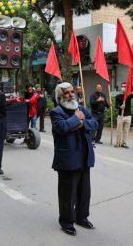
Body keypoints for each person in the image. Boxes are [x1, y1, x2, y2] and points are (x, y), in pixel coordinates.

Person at [50, 82, 98, 236]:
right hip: (68, 159)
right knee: (67, 194)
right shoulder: (56, 112)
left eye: (72, 92)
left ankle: (81, 217)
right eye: (66, 93)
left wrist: (82, 123)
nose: (71, 95)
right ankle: (66, 222)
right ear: (60, 96)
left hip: (84, 157)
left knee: (84, 192)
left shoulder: (82, 108)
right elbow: (62, 127)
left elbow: (94, 123)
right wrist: (76, 119)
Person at [115, 82, 133, 148]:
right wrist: (120, 107)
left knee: (126, 131)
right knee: (119, 130)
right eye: (122, 86)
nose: (124, 88)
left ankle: (124, 143)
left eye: (125, 87)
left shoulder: (129, 96)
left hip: (128, 116)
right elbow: (116, 106)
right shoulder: (118, 96)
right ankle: (118, 142)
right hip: (120, 116)